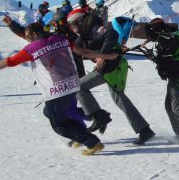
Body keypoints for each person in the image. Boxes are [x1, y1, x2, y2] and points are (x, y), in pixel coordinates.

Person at [0, 21, 111, 155]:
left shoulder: (31, 48)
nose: (27, 39)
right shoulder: (60, 39)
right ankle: (90, 123)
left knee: (59, 125)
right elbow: (84, 51)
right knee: (55, 112)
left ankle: (92, 142)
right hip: (72, 84)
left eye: (27, 36)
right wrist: (106, 56)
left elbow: (8, 62)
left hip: (57, 90)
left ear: (34, 34)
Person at [66, 9, 155, 145]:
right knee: (119, 98)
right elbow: (74, 51)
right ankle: (144, 130)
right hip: (110, 67)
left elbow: (112, 33)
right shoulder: (84, 35)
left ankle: (98, 117)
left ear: (79, 21)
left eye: (72, 24)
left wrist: (102, 54)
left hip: (112, 67)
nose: (71, 28)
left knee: (79, 86)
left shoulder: (95, 29)